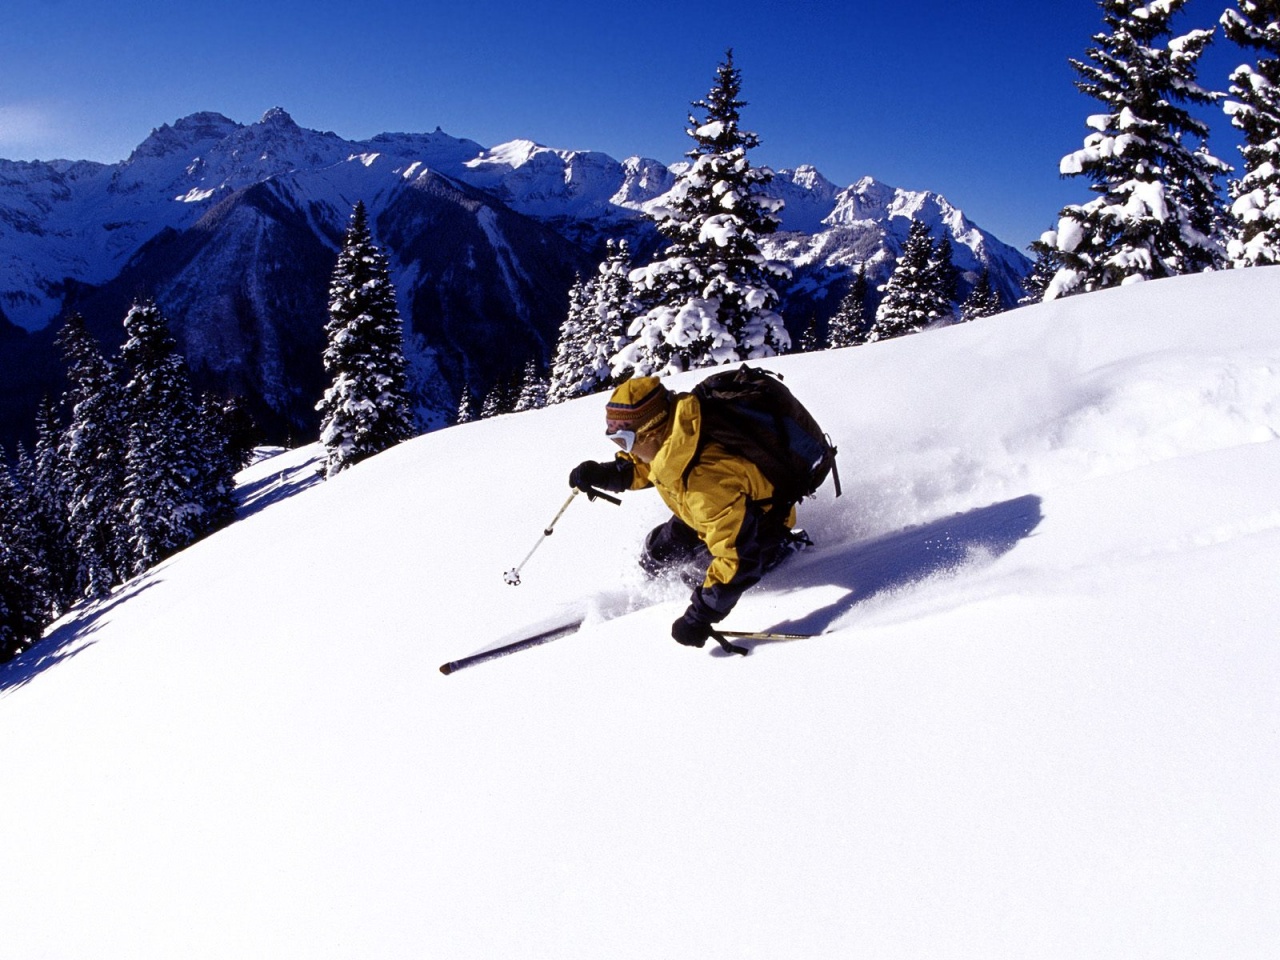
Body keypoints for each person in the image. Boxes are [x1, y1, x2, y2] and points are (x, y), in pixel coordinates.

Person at [569, 376, 810, 650]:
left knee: (698, 575)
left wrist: (699, 617)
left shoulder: (705, 480)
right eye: (611, 437)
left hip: (758, 524)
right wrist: (606, 474)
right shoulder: (674, 436)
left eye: (623, 440)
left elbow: (737, 558)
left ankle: (781, 547)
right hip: (702, 516)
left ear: (652, 430)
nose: (621, 448)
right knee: (656, 553)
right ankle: (650, 590)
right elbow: (650, 466)